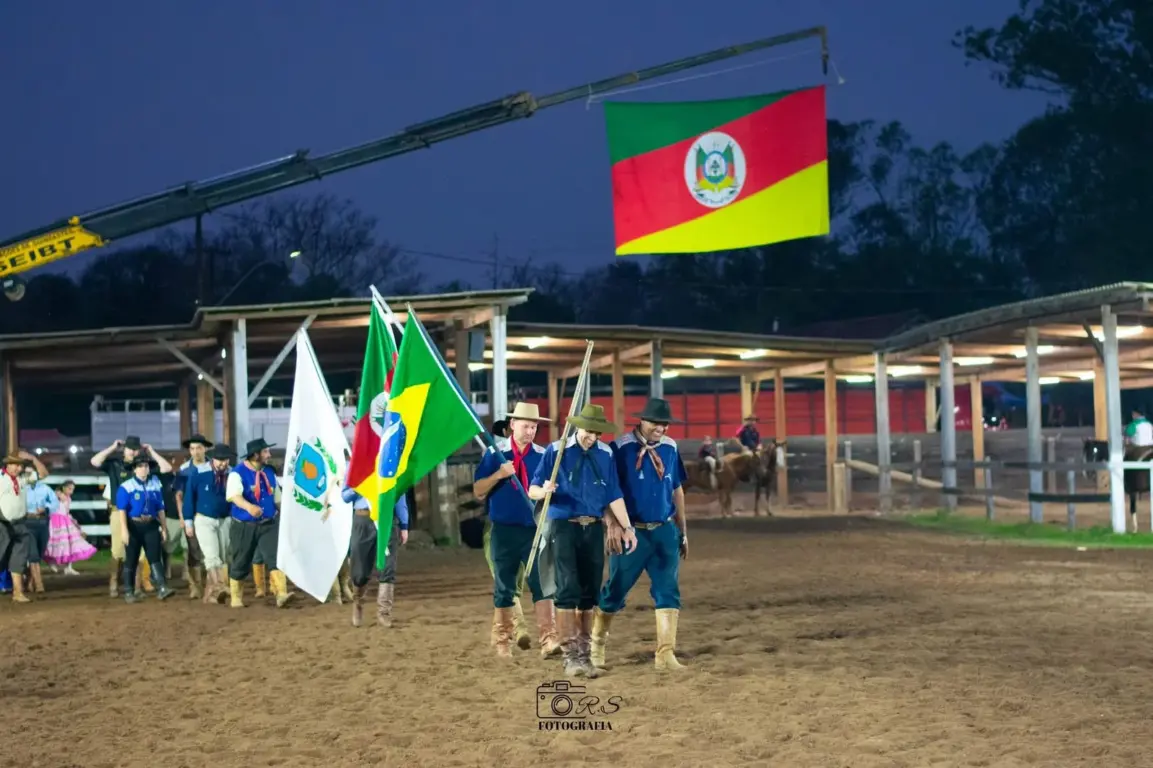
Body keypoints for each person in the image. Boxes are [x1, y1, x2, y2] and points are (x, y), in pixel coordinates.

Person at [529, 403, 637, 678]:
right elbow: (532, 488)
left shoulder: (605, 455)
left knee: (590, 590)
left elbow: (614, 494)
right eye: (589, 431)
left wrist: (627, 527)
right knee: (568, 587)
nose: (592, 437)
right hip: (564, 526)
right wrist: (544, 491)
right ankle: (570, 655)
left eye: (597, 433)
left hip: (593, 528)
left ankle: (585, 655)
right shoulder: (557, 450)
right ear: (578, 427)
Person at [592, 397, 689, 673]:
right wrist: (611, 522)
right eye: (657, 422)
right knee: (616, 588)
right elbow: (608, 491)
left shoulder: (671, 448)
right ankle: (597, 645)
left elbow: (677, 490)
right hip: (631, 533)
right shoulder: (619, 449)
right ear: (642, 421)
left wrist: (683, 531)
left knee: (668, 590)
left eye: (665, 423)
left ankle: (665, 653)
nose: (662, 428)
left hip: (664, 531)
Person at [473, 401, 558, 658]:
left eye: (534, 427)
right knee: (505, 585)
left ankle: (549, 639)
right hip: (503, 530)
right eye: (525, 426)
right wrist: (499, 474)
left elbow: (550, 492)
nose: (530, 431)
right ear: (512, 425)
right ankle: (502, 640)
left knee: (542, 584)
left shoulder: (544, 456)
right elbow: (478, 491)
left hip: (534, 529)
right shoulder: (494, 454)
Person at [90, 436, 171, 598]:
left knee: (140, 553)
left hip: (141, 514)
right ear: (124, 449)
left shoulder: (145, 466)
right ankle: (114, 583)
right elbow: (95, 462)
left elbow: (167, 468)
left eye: (135, 449)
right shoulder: (114, 464)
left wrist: (151, 451)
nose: (133, 452)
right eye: (130, 448)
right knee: (119, 550)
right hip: (118, 511)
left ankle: (136, 587)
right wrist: (113, 447)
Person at [225, 438, 292, 608]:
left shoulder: (268, 472)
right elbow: (234, 496)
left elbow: (276, 496)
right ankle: (236, 597)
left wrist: (284, 514)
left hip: (269, 523)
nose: (269, 455)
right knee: (241, 560)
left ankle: (281, 593)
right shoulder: (237, 473)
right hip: (244, 525)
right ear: (255, 455)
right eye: (265, 452)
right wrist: (249, 507)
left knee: (275, 557)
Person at [339, 481, 408, 628]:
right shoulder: (356, 466)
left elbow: (399, 493)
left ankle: (384, 612)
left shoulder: (390, 463)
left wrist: (404, 524)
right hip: (362, 519)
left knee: (388, 566)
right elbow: (345, 495)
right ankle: (358, 602)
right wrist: (359, 489)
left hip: (387, 518)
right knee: (359, 571)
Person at [115, 455, 174, 603]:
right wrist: (124, 530)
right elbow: (122, 510)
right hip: (133, 525)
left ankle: (162, 588)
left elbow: (160, 507)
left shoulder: (155, 483)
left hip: (151, 525)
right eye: (140, 466)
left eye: (146, 466)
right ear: (134, 469)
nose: (144, 469)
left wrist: (164, 527)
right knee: (132, 559)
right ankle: (129, 591)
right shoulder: (126, 486)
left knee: (155, 557)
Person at [184, 443, 235, 604]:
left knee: (222, 556)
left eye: (225, 460)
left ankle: (209, 595)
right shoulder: (198, 473)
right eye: (220, 460)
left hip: (225, 519)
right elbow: (188, 498)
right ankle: (220, 586)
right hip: (204, 519)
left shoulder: (232, 473)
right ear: (213, 459)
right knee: (212, 555)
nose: (223, 463)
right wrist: (188, 521)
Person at [0, 450, 49, 603]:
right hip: (3, 524)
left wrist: (33, 458)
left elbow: (44, 474)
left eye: (20, 465)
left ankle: (18, 592)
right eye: (15, 465)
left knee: (18, 558)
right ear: (7, 465)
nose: (18, 468)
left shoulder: (22, 479)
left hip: (20, 523)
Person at [44, 481, 96, 574]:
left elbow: (67, 512)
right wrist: (58, 494)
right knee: (53, 543)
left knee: (70, 543)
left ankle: (68, 567)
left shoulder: (68, 498)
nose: (71, 491)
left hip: (65, 521)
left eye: (72, 489)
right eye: (69, 489)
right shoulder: (57, 495)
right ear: (64, 488)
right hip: (55, 521)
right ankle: (51, 561)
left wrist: (75, 523)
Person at [23, 464, 58, 594]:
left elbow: (55, 503)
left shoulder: (45, 489)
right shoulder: (22, 489)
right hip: (28, 522)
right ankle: (39, 585)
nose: (29, 476)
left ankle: (30, 580)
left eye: (30, 473)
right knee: (33, 554)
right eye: (26, 473)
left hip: (43, 522)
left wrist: (46, 508)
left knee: (40, 553)